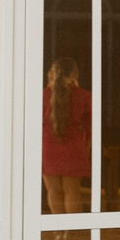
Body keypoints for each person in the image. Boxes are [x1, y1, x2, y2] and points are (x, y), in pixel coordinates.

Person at [41, 55, 90, 216]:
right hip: (74, 146)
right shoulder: (84, 96)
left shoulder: (40, 96)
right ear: (75, 73)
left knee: (53, 191)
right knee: (72, 192)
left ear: (50, 74)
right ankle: (70, 235)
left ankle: (58, 234)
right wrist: (87, 146)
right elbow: (90, 127)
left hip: (47, 146)